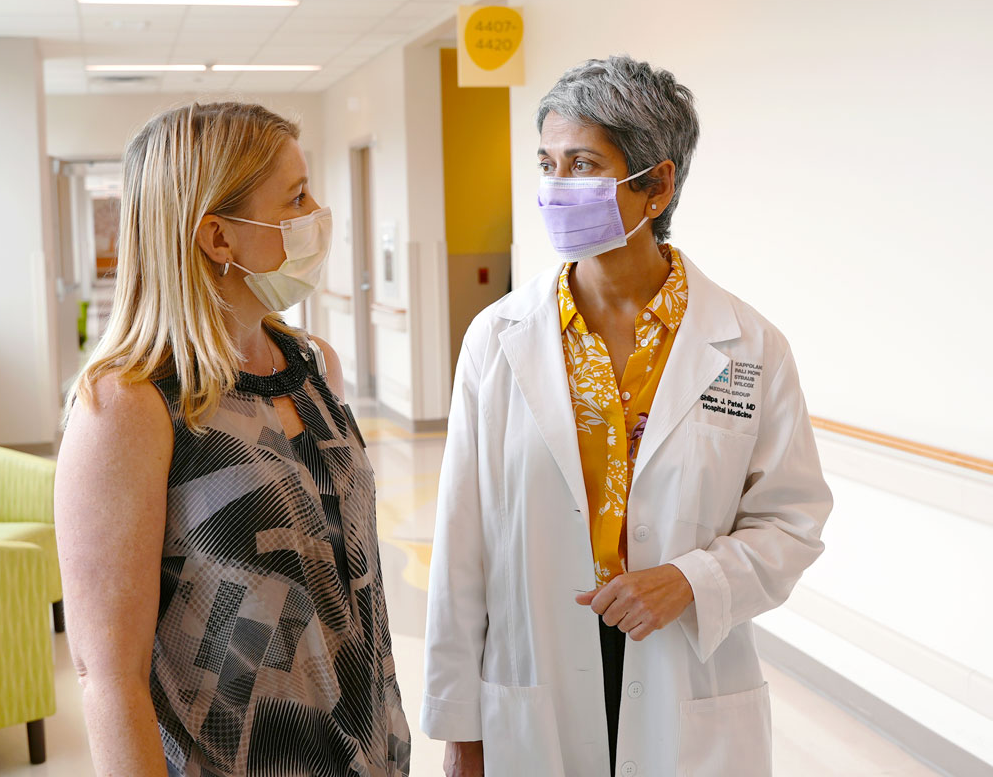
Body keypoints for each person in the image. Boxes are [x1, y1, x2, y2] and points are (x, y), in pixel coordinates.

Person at [420, 56, 832, 777]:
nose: (555, 187)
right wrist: (462, 726)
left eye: (582, 164)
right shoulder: (497, 338)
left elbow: (792, 522)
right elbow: (463, 545)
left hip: (685, 665)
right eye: (547, 162)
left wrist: (695, 579)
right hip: (536, 669)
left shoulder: (749, 346)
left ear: (657, 185)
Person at [55, 102, 411, 777]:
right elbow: (109, 676)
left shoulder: (313, 366)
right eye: (296, 197)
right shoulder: (129, 406)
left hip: (370, 753)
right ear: (219, 238)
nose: (317, 216)